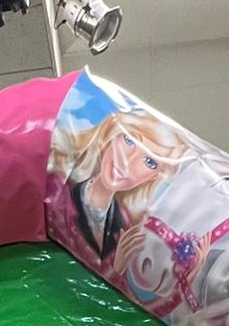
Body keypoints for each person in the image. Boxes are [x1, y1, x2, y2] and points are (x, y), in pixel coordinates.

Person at [52, 109, 188, 265]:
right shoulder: (60, 189)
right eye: (129, 140)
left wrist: (118, 267)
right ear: (112, 136)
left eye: (150, 162)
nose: (127, 162)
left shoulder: (126, 223)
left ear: (154, 176)